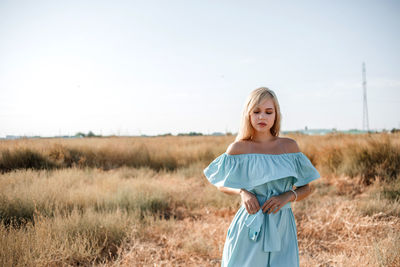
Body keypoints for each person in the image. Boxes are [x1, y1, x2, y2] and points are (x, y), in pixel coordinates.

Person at [203, 87, 320, 267]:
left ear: (276, 115)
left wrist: (288, 196)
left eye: (268, 112)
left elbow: (307, 187)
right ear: (248, 115)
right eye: (256, 112)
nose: (262, 117)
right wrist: (243, 192)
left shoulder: (289, 147)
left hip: (282, 226)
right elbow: (222, 184)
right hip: (250, 225)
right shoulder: (238, 148)